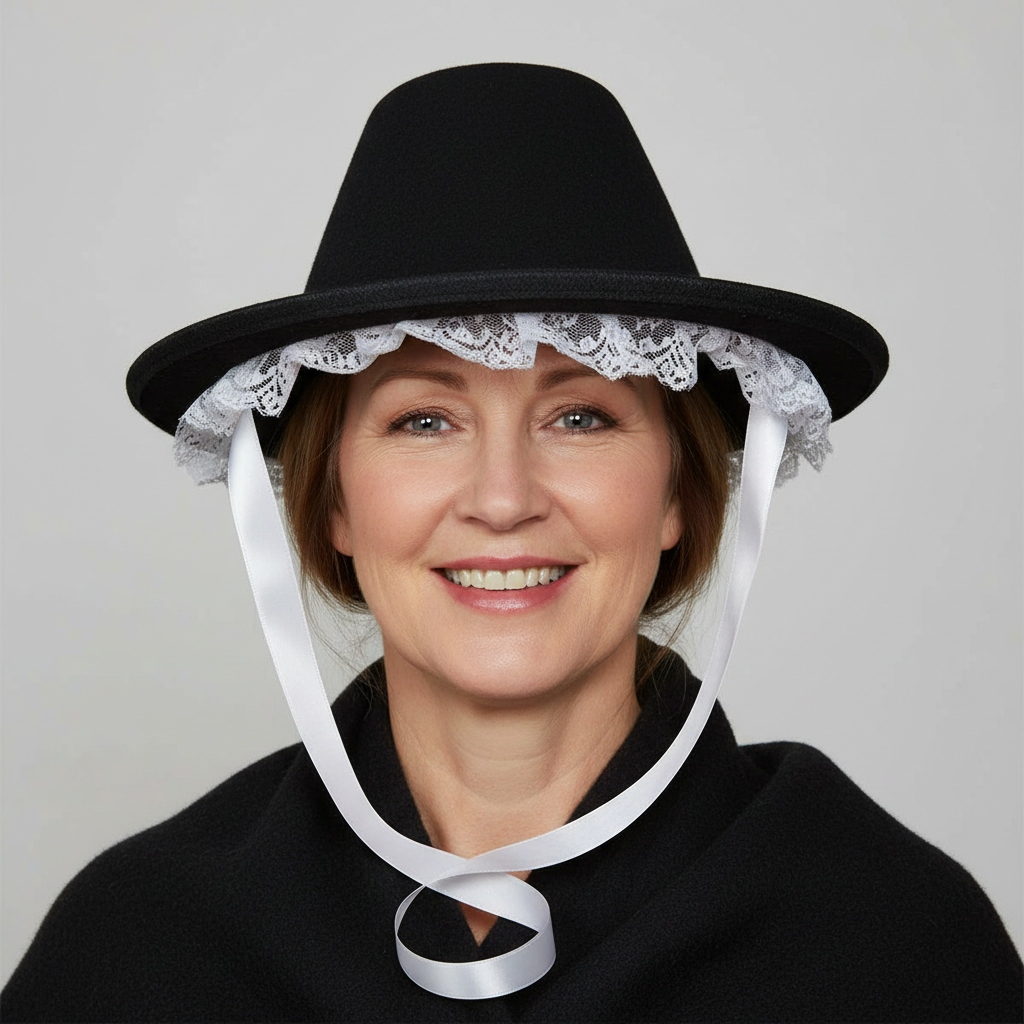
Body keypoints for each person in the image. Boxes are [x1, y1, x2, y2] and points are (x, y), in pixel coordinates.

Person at [2, 63, 1020, 1023]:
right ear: (332, 502)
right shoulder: (139, 949)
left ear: (677, 491)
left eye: (578, 417)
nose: (502, 499)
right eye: (423, 421)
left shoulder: (891, 942)